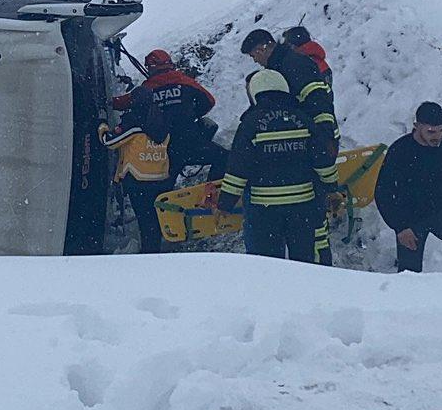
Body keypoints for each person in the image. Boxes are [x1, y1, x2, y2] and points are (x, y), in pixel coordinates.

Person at [217, 69, 339, 263]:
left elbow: (238, 168)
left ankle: (272, 293)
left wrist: (225, 204)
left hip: (264, 210)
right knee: (305, 262)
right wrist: (332, 188)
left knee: (266, 265)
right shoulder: (303, 119)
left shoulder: (250, 123)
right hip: (302, 206)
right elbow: (323, 160)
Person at [241, 28, 340, 261]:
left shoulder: (293, 65)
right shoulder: (284, 64)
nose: (255, 60)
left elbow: (319, 104)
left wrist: (322, 142)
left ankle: (319, 269)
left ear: (263, 47)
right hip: (305, 145)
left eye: (254, 54)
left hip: (311, 146)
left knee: (314, 219)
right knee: (306, 218)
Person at [376, 102, 442, 272]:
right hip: (409, 216)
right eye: (431, 132)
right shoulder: (400, 150)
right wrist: (400, 227)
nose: (437, 136)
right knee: (409, 272)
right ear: (417, 127)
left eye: (441, 130)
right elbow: (382, 191)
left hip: (441, 208)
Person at [114, 48, 227, 187]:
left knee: (164, 188)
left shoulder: (147, 88)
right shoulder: (184, 81)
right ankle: (211, 192)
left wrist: (105, 101)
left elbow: (124, 103)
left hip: (163, 150)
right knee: (224, 157)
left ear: (151, 67)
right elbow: (209, 101)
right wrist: (191, 113)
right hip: (191, 141)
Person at [100, 114, 172, 253]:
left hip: (138, 180)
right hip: (160, 179)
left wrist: (102, 126)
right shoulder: (163, 125)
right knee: (154, 220)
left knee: (145, 221)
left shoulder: (134, 127)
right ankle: (154, 248)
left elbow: (109, 142)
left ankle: (148, 253)